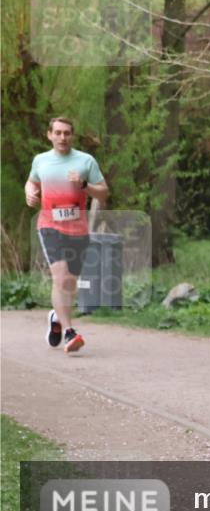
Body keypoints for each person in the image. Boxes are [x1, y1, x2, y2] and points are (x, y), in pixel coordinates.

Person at [24, 117, 110, 354]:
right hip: (49, 226)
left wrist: (85, 185)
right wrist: (30, 194)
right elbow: (31, 183)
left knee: (70, 283)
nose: (63, 137)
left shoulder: (85, 161)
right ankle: (70, 331)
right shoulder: (40, 160)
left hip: (78, 230)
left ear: (72, 136)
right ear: (49, 134)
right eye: (58, 133)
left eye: (67, 133)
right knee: (60, 278)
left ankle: (56, 317)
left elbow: (103, 193)